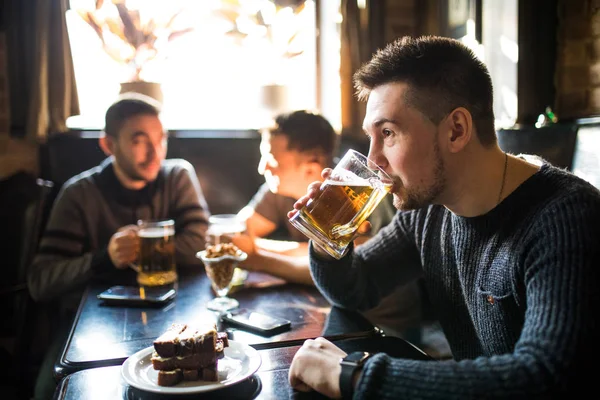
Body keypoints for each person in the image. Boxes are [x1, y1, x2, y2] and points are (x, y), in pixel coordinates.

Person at [287, 35, 600, 399]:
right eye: (371, 137)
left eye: (388, 133)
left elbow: (544, 375)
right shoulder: (432, 212)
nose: (373, 161)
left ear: (456, 130)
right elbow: (357, 287)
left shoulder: (567, 218)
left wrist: (354, 376)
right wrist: (328, 240)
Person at [27, 93, 210, 399]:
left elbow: (200, 244)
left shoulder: (177, 176)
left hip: (175, 312)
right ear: (109, 145)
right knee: (51, 391)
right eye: (139, 141)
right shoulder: (79, 194)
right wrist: (105, 258)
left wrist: (144, 250)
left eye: (160, 139)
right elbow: (40, 282)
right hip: (95, 324)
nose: (155, 152)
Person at [233, 110, 433, 343]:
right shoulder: (277, 187)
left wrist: (257, 256)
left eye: (271, 159)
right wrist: (256, 248)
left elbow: (350, 268)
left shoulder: (359, 195)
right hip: (333, 310)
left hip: (385, 328)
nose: (262, 168)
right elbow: (239, 232)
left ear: (312, 163)